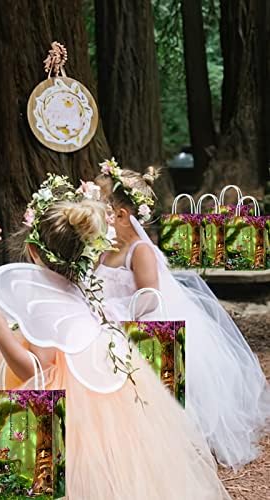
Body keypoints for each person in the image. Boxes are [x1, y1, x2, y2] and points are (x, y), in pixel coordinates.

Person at [0, 174, 229, 499]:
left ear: (34, 252)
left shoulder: (46, 304)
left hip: (57, 400)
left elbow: (34, 370)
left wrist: (1, 334)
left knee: (40, 465)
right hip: (102, 401)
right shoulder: (80, 290)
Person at [94, 158, 270, 469]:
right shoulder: (104, 249)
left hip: (137, 325)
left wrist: (114, 312)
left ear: (121, 215)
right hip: (106, 322)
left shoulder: (140, 251)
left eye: (100, 209)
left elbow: (149, 296)